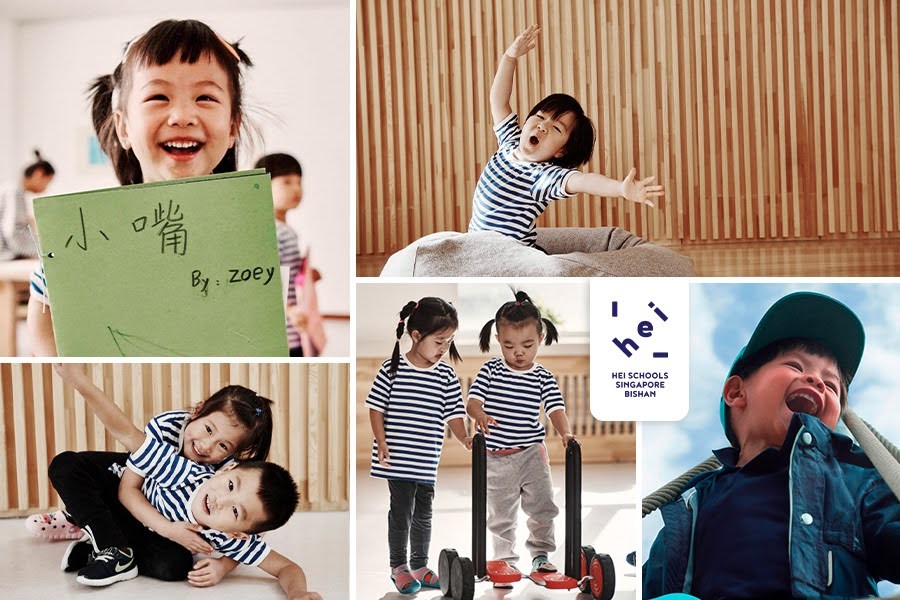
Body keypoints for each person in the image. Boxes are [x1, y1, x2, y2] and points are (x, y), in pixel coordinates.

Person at [642, 292, 900, 598]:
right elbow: (653, 581)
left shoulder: (856, 482)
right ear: (737, 393)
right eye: (795, 365)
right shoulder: (693, 505)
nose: (817, 381)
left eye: (831, 385)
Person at [27, 19, 253, 356]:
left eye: (205, 97)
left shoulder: (253, 233)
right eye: (158, 96)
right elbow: (43, 320)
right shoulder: (88, 235)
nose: (182, 115)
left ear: (233, 124)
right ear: (124, 127)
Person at [31, 364, 277, 590]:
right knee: (67, 466)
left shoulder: (226, 476)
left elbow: (252, 526)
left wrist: (223, 565)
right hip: (132, 484)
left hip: (153, 518)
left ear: (232, 456)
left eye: (223, 446)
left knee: (175, 566)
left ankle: (93, 537)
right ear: (198, 410)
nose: (206, 446)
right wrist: (169, 529)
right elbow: (128, 489)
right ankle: (103, 538)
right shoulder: (166, 429)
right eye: (208, 429)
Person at [468, 25, 664, 248]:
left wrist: (621, 189)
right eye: (540, 116)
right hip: (475, 245)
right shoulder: (509, 141)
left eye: (557, 128)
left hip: (513, 256)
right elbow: (498, 101)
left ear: (561, 151)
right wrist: (509, 57)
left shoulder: (543, 177)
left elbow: (584, 181)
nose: (543, 126)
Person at [465, 290, 575, 586]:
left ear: (540, 339)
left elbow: (555, 408)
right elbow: (472, 402)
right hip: (496, 457)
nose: (518, 352)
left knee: (542, 507)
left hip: (531, 454)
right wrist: (480, 415)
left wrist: (566, 432)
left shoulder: (544, 377)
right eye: (509, 345)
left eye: (527, 345)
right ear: (498, 340)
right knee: (501, 515)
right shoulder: (490, 370)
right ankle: (504, 560)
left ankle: (540, 555)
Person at [366, 297, 472, 594]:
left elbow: (453, 412)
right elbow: (376, 408)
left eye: (449, 342)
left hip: (426, 460)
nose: (444, 349)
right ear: (416, 336)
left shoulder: (445, 374)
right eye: (439, 341)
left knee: (424, 513)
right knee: (401, 512)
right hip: (398, 459)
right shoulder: (393, 367)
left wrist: (464, 436)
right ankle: (398, 566)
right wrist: (382, 442)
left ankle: (420, 564)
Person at [254, 153, 325, 357]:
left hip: (294, 328)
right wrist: (290, 309)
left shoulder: (285, 230)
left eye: (298, 182)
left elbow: (284, 271)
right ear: (262, 186)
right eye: (286, 182)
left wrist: (307, 276)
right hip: (284, 330)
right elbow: (264, 278)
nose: (296, 189)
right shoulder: (271, 231)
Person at [0, 150, 54, 259]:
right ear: (39, 174)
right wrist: (39, 252)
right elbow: (11, 231)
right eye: (47, 182)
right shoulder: (13, 191)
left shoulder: (15, 191)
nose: (45, 188)